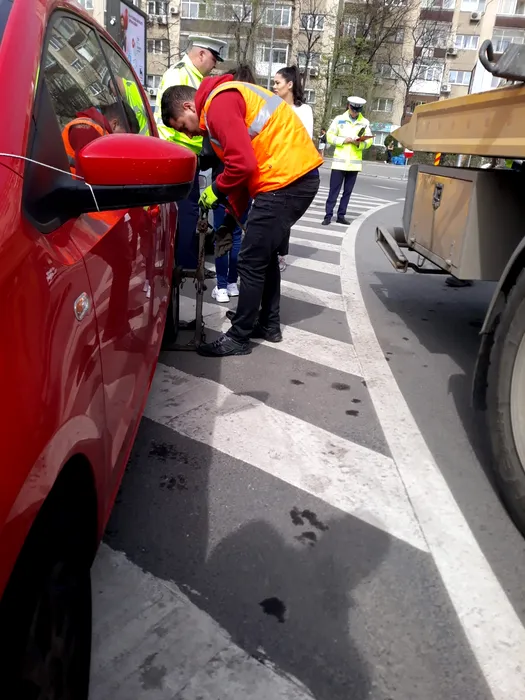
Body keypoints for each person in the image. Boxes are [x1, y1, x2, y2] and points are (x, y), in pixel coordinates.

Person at [161, 74, 323, 357]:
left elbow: (242, 166)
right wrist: (230, 215)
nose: (188, 135)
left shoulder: (218, 104)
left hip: (285, 180)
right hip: (291, 177)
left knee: (250, 260)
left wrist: (215, 190)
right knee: (265, 256)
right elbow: (241, 171)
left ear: (188, 106)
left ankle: (239, 337)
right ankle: (268, 324)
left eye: (183, 127)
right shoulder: (224, 102)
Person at [155, 35, 227, 270]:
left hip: (187, 154)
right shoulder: (179, 75)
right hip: (178, 155)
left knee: (189, 210)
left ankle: (183, 260)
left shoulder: (194, 76)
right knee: (186, 211)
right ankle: (183, 264)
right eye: (214, 59)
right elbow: (172, 119)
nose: (214, 65)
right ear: (202, 54)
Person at [211, 64, 256, 303]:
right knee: (237, 234)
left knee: (222, 234)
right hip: (245, 183)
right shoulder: (252, 109)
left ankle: (220, 286)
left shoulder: (225, 107)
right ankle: (231, 283)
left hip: (224, 180)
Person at [272, 66, 314, 271]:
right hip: (272, 167)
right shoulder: (272, 106)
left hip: (292, 169)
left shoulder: (304, 110)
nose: (274, 86)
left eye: (277, 83)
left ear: (290, 84)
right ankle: (270, 251)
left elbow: (304, 139)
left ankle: (281, 254)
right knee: (271, 213)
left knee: (284, 215)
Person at [323, 96, 373, 226]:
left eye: (357, 110)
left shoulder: (365, 122)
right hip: (339, 163)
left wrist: (359, 144)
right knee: (333, 191)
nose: (355, 113)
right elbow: (329, 136)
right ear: (349, 106)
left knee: (347, 193)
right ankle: (328, 216)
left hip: (353, 165)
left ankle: (341, 216)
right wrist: (343, 140)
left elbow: (369, 141)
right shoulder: (339, 119)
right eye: (353, 110)